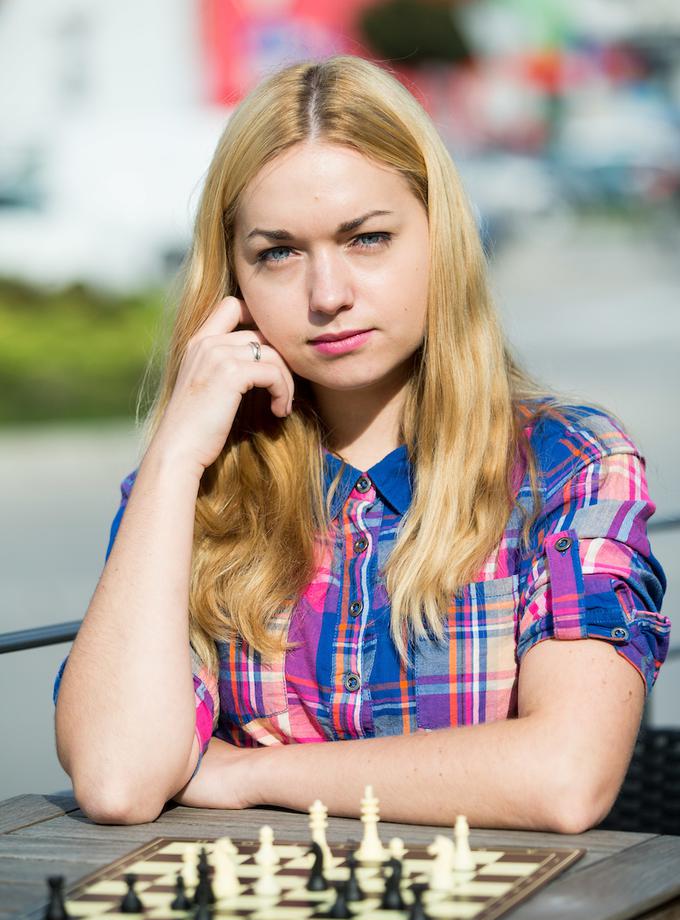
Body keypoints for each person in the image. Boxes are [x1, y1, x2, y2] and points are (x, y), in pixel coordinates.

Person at [53, 55, 670, 831]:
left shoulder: (566, 464)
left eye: (367, 239)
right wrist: (174, 455)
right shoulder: (201, 486)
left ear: (440, 239)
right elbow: (116, 779)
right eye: (278, 252)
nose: (328, 295)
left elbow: (565, 777)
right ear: (233, 281)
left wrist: (249, 773)